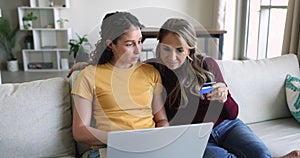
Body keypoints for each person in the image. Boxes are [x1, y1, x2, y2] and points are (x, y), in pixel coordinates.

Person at [68, 17, 300, 158]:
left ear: (189, 50)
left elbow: (233, 114)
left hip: (226, 125)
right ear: (159, 47)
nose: (172, 56)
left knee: (259, 153)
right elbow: (120, 64)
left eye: (180, 49)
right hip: (197, 136)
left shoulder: (207, 65)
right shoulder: (153, 70)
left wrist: (224, 97)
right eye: (166, 48)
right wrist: (88, 64)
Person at [71, 11, 169, 158]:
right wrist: (121, 141)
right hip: (109, 148)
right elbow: (80, 131)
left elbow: (161, 119)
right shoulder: (89, 75)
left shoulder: (151, 72)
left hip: (147, 147)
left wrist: (161, 138)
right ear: (111, 45)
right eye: (129, 44)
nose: (138, 50)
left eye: (140, 41)